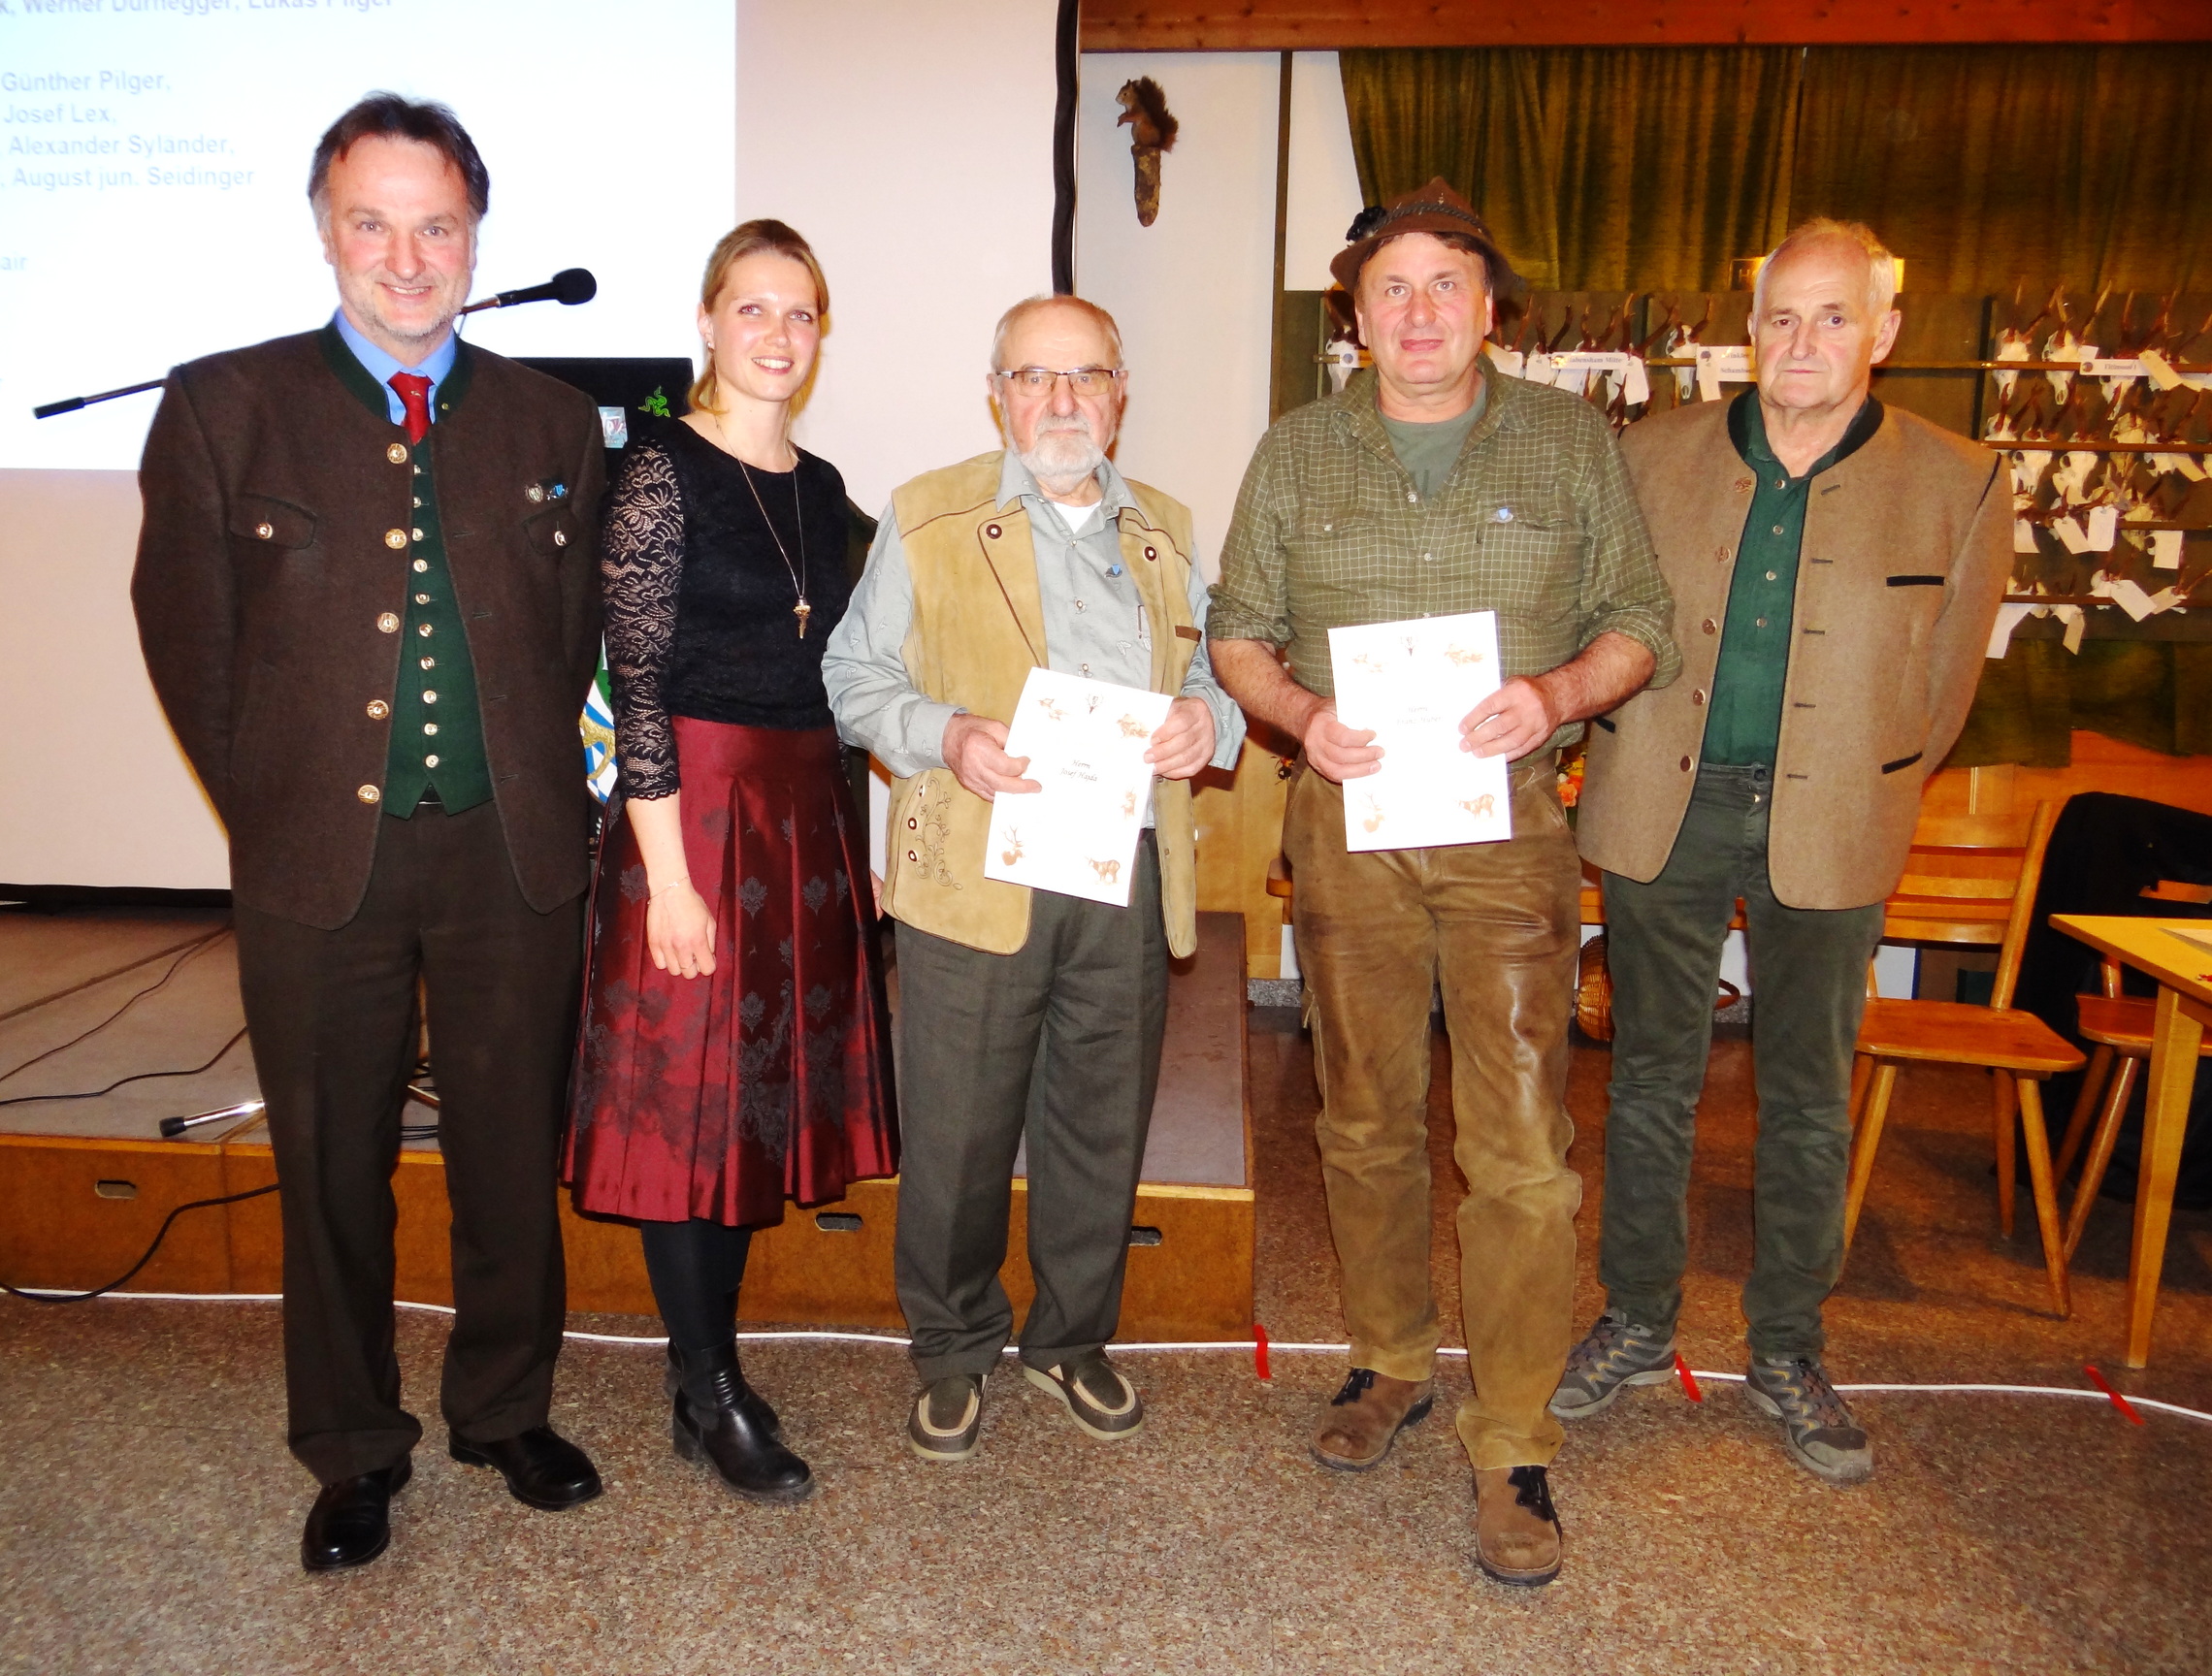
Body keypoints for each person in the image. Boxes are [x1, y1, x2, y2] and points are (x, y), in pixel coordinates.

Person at [130, 95, 606, 1571]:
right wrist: (278, 806)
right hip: (316, 864)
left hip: (512, 853)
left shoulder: (550, 420)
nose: (407, 257)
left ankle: (503, 1408)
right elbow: (189, 645)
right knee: (331, 1163)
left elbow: (570, 641)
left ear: (475, 237)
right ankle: (350, 1445)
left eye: (436, 225)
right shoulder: (225, 407)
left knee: (507, 1149)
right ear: (326, 232)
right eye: (373, 223)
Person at [1207, 180, 1676, 1589]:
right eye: (1392, 287)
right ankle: (1391, 1360)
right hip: (1345, 827)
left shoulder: (1571, 442)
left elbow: (1640, 623)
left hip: (1508, 833)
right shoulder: (1297, 452)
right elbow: (1238, 630)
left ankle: (1513, 1433)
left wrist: (1555, 694)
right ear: (1356, 313)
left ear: (1489, 309)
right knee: (1362, 1117)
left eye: (1446, 285)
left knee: (1521, 1142)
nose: (1419, 311)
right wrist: (1299, 713)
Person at [1564, 220, 2010, 1484]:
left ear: (1885, 331)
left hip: (1837, 816)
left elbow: (1946, 688)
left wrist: (1858, 784)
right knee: (1650, 1079)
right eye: (1780, 317)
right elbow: (1600, 615)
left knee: (1810, 1094)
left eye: (1833, 316)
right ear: (1748, 331)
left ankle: (1787, 1348)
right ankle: (1637, 1318)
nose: (1802, 341)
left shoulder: (1963, 480)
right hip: (1664, 803)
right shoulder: (1650, 455)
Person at [824, 294, 1245, 1461]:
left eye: (1087, 376)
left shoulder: (1165, 528)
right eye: (1034, 377)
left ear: (1120, 393)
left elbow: (1215, 675)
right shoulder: (928, 516)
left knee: (1100, 1126)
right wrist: (947, 735)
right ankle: (954, 1346)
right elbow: (852, 677)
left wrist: (1207, 724)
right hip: (975, 871)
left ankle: (1071, 1340)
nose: (1062, 401)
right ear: (997, 394)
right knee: (957, 1133)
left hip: (1124, 871)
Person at [566, 221, 897, 1503]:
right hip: (692, 816)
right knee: (685, 1104)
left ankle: (699, 1369)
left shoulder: (821, 486)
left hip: (802, 812)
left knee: (749, 1097)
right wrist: (667, 878)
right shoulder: (661, 469)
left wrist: (856, 843)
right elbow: (636, 678)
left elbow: (841, 669)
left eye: (800, 312)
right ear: (707, 323)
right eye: (752, 307)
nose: (777, 333)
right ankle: (708, 1387)